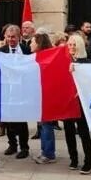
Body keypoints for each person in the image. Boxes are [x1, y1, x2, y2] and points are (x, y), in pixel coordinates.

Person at [0, 24, 31, 160]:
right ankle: (12, 144)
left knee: (21, 120)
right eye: (8, 37)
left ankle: (24, 147)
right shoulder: (1, 50)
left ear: (19, 37)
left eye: (13, 37)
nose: (11, 39)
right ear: (5, 37)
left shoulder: (26, 49)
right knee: (7, 119)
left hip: (22, 89)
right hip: (7, 89)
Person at [65, 34, 91, 173]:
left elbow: (89, 82)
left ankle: (89, 161)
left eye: (74, 44)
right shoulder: (63, 60)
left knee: (83, 132)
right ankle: (73, 159)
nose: (71, 47)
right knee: (68, 131)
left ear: (80, 46)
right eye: (69, 44)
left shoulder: (87, 63)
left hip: (81, 102)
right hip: (67, 101)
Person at [33, 31, 59, 165]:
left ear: (38, 43)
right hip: (42, 95)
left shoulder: (43, 57)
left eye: (33, 41)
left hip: (46, 96)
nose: (31, 44)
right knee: (43, 125)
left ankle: (49, 154)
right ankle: (45, 151)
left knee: (46, 125)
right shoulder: (43, 56)